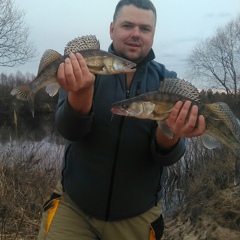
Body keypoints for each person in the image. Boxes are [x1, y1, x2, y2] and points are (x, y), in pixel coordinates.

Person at [38, 0, 205, 239]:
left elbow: (166, 157)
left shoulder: (167, 82)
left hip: (138, 217)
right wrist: (82, 93)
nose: (136, 34)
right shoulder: (79, 67)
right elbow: (69, 131)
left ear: (153, 35)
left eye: (145, 29)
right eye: (127, 25)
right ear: (112, 29)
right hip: (73, 209)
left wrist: (171, 132)